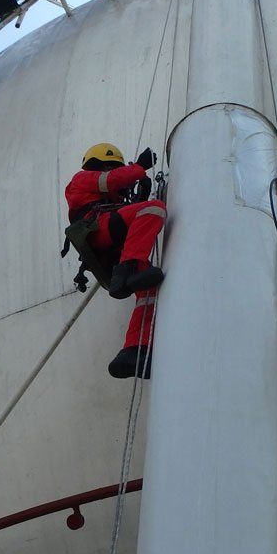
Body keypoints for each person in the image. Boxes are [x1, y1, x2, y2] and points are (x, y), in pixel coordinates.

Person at [65, 142, 166, 378]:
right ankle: (128, 271)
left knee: (148, 291)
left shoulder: (110, 198)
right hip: (98, 229)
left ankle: (134, 350)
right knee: (154, 209)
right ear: (100, 165)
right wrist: (140, 168)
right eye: (110, 167)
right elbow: (111, 180)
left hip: (114, 243)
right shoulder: (81, 179)